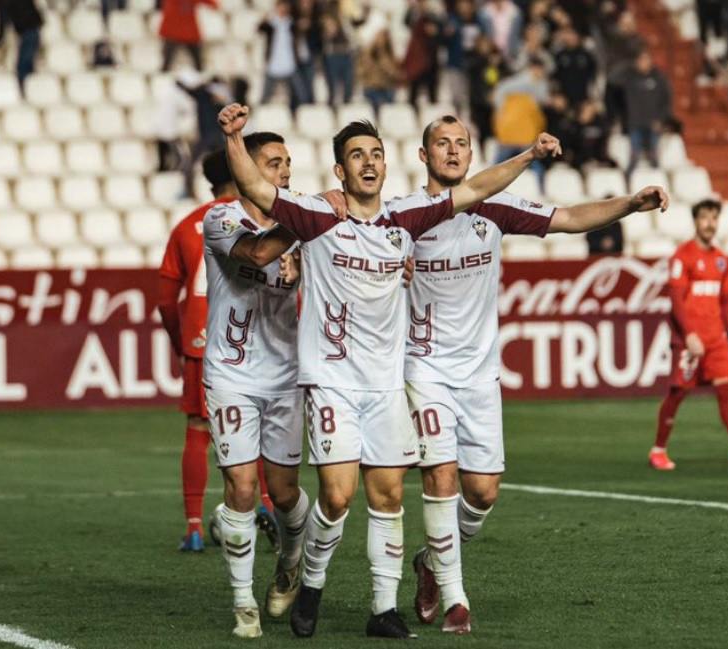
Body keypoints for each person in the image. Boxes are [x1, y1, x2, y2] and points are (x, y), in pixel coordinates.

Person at [218, 103, 560, 639]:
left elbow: (475, 190)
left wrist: (527, 156)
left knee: (390, 498)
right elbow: (259, 192)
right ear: (341, 171)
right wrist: (235, 138)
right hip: (330, 381)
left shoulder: (404, 222)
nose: (369, 162)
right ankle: (311, 582)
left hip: (385, 386)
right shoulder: (319, 218)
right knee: (336, 496)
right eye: (357, 155)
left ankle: (383, 609)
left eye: (376, 153)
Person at [405, 115, 668, 635]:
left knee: (482, 494)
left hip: (479, 374)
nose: (453, 152)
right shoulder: (405, 216)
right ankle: (457, 600)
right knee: (440, 474)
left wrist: (630, 205)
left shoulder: (492, 209)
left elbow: (569, 216)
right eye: (442, 144)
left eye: (462, 144)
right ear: (423, 155)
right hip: (423, 367)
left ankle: (430, 563)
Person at [201, 132, 312, 638]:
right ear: (248, 168)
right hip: (231, 374)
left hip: (286, 376)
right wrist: (305, 225)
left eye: (288, 163)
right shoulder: (222, 219)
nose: (284, 171)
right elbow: (258, 253)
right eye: (273, 163)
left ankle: (291, 557)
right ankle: (243, 602)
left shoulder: (306, 228)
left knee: (285, 494)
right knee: (242, 488)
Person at [156, 151, 277, 553]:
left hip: (202, 338)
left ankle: (193, 526)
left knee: (197, 430)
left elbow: (164, 296)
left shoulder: (191, 223)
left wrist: (181, 340)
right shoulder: (256, 217)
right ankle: (267, 504)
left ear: (209, 183)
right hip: (253, 335)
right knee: (257, 423)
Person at [647, 200, 728, 471]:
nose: (710, 223)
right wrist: (689, 335)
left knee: (727, 390)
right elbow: (676, 300)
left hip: (716, 338)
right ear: (695, 221)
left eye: (714, 218)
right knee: (677, 393)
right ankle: (658, 450)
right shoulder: (682, 256)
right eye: (705, 218)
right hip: (690, 341)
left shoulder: (721, 260)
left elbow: (727, 301)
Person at [0, 0, 44, 94]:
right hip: (28, 29)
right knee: (24, 66)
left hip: (29, 29)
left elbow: (1, 31)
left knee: (23, 67)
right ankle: (25, 92)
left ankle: (25, 92)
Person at [622, 51, 672, 174]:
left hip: (653, 122)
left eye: (645, 60)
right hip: (635, 122)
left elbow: (666, 101)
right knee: (634, 156)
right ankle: (628, 182)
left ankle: (657, 183)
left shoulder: (659, 79)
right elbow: (614, 81)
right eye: (640, 60)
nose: (642, 63)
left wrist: (661, 119)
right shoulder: (629, 79)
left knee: (653, 156)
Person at [160, 0, 214, 72]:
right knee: (166, 64)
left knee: (199, 63)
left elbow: (213, 5)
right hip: (174, 31)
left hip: (188, 31)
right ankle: (162, 79)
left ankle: (200, 76)